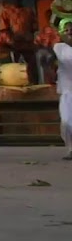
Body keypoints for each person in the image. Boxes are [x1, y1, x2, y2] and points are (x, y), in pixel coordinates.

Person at [52, 23, 72, 161]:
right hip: (67, 92)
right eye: (67, 29)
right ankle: (71, 148)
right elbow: (47, 61)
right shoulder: (58, 48)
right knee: (66, 122)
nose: (70, 32)